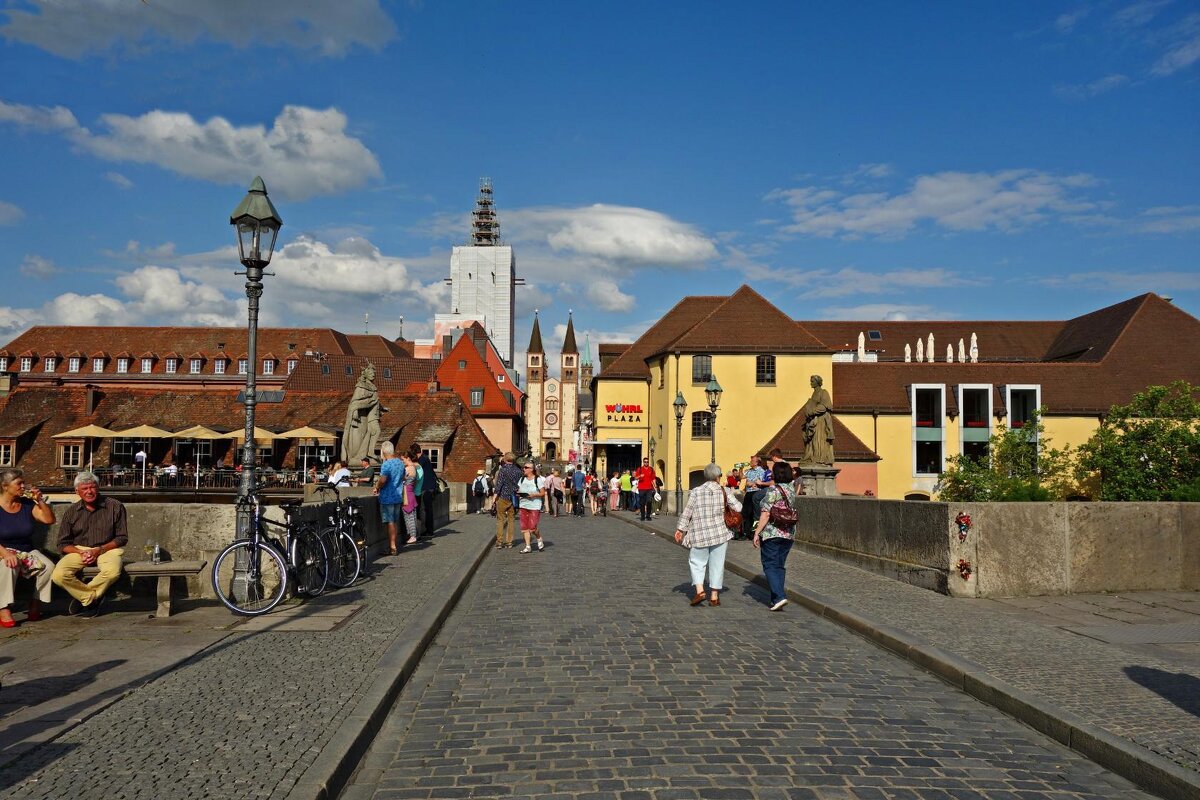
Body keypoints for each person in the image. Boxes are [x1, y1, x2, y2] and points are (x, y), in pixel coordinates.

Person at [52, 471, 129, 617]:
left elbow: (121, 538)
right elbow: (62, 543)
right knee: (58, 575)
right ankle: (90, 598)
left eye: (92, 487)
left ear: (98, 488)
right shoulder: (71, 511)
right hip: (79, 550)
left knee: (112, 572)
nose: (89, 491)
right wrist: (81, 552)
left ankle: (81, 597)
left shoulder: (115, 506)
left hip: (107, 549)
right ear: (77, 492)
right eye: (84, 489)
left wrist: (98, 550)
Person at [673, 463, 741, 607]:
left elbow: (688, 511)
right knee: (717, 564)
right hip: (720, 533)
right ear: (717, 476)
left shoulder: (696, 491)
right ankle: (714, 596)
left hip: (699, 533)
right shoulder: (724, 490)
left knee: (697, 562)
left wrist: (680, 529)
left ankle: (700, 591)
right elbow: (738, 507)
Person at [0, 469, 56, 627]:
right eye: (19, 483)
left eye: (23, 482)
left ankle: (35, 602)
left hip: (26, 549)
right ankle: (3, 607)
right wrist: (5, 553)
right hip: (2, 550)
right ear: (5, 486)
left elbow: (49, 520)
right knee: (8, 565)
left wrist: (40, 501)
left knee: (48, 566)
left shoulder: (26, 504)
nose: (23, 486)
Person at [752, 460, 798, 611]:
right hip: (788, 533)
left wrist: (757, 532)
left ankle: (779, 596)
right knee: (779, 565)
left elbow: (765, 514)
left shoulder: (773, 490)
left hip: (772, 532)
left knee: (770, 565)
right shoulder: (791, 489)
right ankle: (775, 599)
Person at [373, 442, 404, 555]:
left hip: (387, 497)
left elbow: (383, 480)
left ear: (383, 451)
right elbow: (403, 477)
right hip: (398, 496)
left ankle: (392, 547)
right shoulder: (400, 463)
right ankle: (393, 545)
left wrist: (377, 487)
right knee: (394, 522)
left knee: (390, 522)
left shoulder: (386, 464)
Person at [800, 375, 835, 466]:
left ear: (818, 382)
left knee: (819, 439)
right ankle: (813, 457)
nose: (811, 383)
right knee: (812, 440)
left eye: (812, 381)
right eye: (810, 381)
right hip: (813, 420)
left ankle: (820, 458)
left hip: (820, 420)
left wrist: (812, 411)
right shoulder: (814, 393)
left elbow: (824, 406)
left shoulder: (823, 392)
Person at [490, 452, 521, 549]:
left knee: (500, 520)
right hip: (514, 498)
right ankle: (509, 542)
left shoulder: (502, 470)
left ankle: (499, 542)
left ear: (505, 459)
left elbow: (499, 485)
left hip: (503, 497)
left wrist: (494, 497)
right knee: (511, 520)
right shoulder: (518, 471)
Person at [516, 462, 547, 553]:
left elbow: (542, 493)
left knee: (532, 527)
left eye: (526, 467)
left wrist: (533, 495)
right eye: (523, 467)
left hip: (534, 505)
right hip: (523, 505)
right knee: (524, 527)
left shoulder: (538, 480)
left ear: (531, 469)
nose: (524, 469)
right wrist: (518, 494)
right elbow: (518, 490)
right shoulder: (522, 479)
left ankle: (539, 538)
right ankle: (528, 546)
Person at [740, 454, 771, 540]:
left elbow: (760, 481)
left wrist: (751, 483)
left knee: (754, 514)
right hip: (748, 493)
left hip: (756, 493)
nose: (750, 462)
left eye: (752, 461)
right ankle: (746, 533)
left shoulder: (761, 471)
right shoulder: (749, 470)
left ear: (757, 462)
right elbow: (741, 477)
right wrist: (741, 469)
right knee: (745, 513)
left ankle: (753, 533)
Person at [414, 443, 440, 538]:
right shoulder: (425, 458)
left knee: (427, 510)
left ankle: (429, 531)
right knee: (428, 509)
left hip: (427, 488)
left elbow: (416, 471)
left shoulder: (422, 460)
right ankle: (429, 530)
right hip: (430, 487)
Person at [398, 451, 420, 546]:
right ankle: (414, 535)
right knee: (412, 515)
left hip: (407, 494)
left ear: (408, 458)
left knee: (409, 516)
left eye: (403, 459)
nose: (402, 462)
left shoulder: (408, 469)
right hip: (410, 493)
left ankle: (413, 536)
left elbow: (399, 479)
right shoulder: (414, 468)